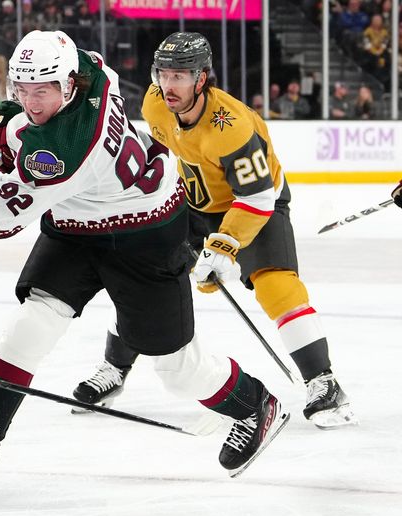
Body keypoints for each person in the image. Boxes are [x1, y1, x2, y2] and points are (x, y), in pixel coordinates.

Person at [0, 30, 289, 492]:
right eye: (21, 91)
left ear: (68, 84)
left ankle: (254, 405)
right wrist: (14, 124)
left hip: (144, 232)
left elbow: (1, 211)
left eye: (42, 92)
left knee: (177, 369)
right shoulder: (92, 70)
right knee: (29, 326)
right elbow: (53, 99)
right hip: (75, 226)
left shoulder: (65, 154)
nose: (32, 103)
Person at [74, 32, 356, 430]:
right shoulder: (156, 103)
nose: (168, 85)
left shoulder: (232, 126)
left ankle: (324, 382)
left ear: (202, 78)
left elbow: (256, 195)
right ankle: (114, 367)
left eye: (180, 76)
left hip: (257, 204)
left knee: (275, 284)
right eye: (163, 74)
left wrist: (222, 248)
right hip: (192, 205)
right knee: (142, 276)